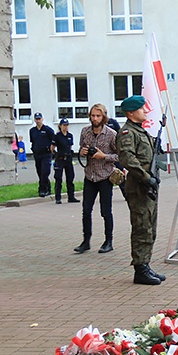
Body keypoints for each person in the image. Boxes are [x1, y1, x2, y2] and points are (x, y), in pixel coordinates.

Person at [116, 95, 167, 285]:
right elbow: (128, 160)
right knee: (141, 228)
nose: (145, 111)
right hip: (139, 187)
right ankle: (140, 269)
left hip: (148, 187)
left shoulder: (140, 131)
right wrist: (147, 179)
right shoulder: (127, 133)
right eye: (141, 109)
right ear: (131, 113)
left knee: (150, 228)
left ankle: (145, 263)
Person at [75, 104, 118, 255]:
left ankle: (108, 241)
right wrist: (82, 152)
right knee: (86, 210)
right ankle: (86, 241)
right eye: (93, 116)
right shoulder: (85, 132)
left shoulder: (111, 134)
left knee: (106, 211)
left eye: (98, 116)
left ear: (104, 117)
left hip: (105, 176)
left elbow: (120, 156)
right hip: (90, 175)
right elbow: (81, 149)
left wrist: (104, 156)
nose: (95, 119)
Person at [52, 118, 79, 204]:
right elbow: (52, 148)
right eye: (64, 125)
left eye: (67, 125)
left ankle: (71, 197)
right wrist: (56, 155)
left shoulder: (70, 136)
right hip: (60, 159)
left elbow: (70, 147)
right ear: (60, 126)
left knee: (70, 178)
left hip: (68, 159)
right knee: (58, 178)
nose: (66, 127)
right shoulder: (57, 136)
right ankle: (58, 197)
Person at [29, 112, 54, 197]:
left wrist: (52, 149)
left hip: (46, 154)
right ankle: (48, 188)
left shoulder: (47, 130)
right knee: (40, 172)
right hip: (37, 154)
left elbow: (53, 140)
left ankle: (42, 189)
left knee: (45, 172)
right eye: (36, 119)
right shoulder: (32, 131)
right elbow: (33, 141)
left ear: (42, 119)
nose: (38, 121)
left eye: (39, 119)